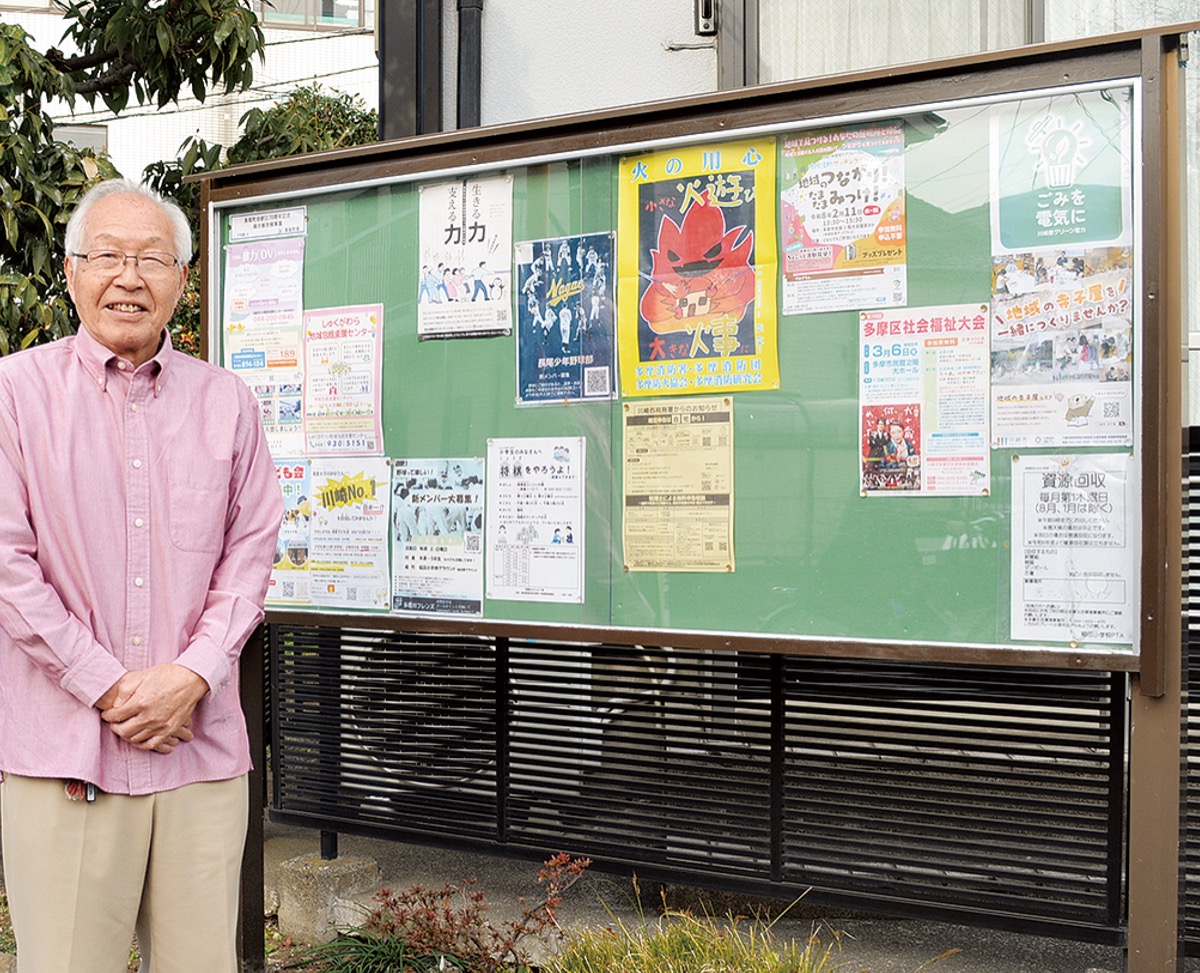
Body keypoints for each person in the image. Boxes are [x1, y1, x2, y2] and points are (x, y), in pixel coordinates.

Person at [0, 178, 284, 973]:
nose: (129, 278)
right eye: (108, 256)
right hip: (67, 750)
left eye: (152, 258)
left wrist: (191, 673)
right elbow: (7, 567)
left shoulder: (228, 401)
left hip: (198, 749)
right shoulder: (12, 394)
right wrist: (112, 688)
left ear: (182, 280)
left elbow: (252, 548)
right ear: (69, 269)